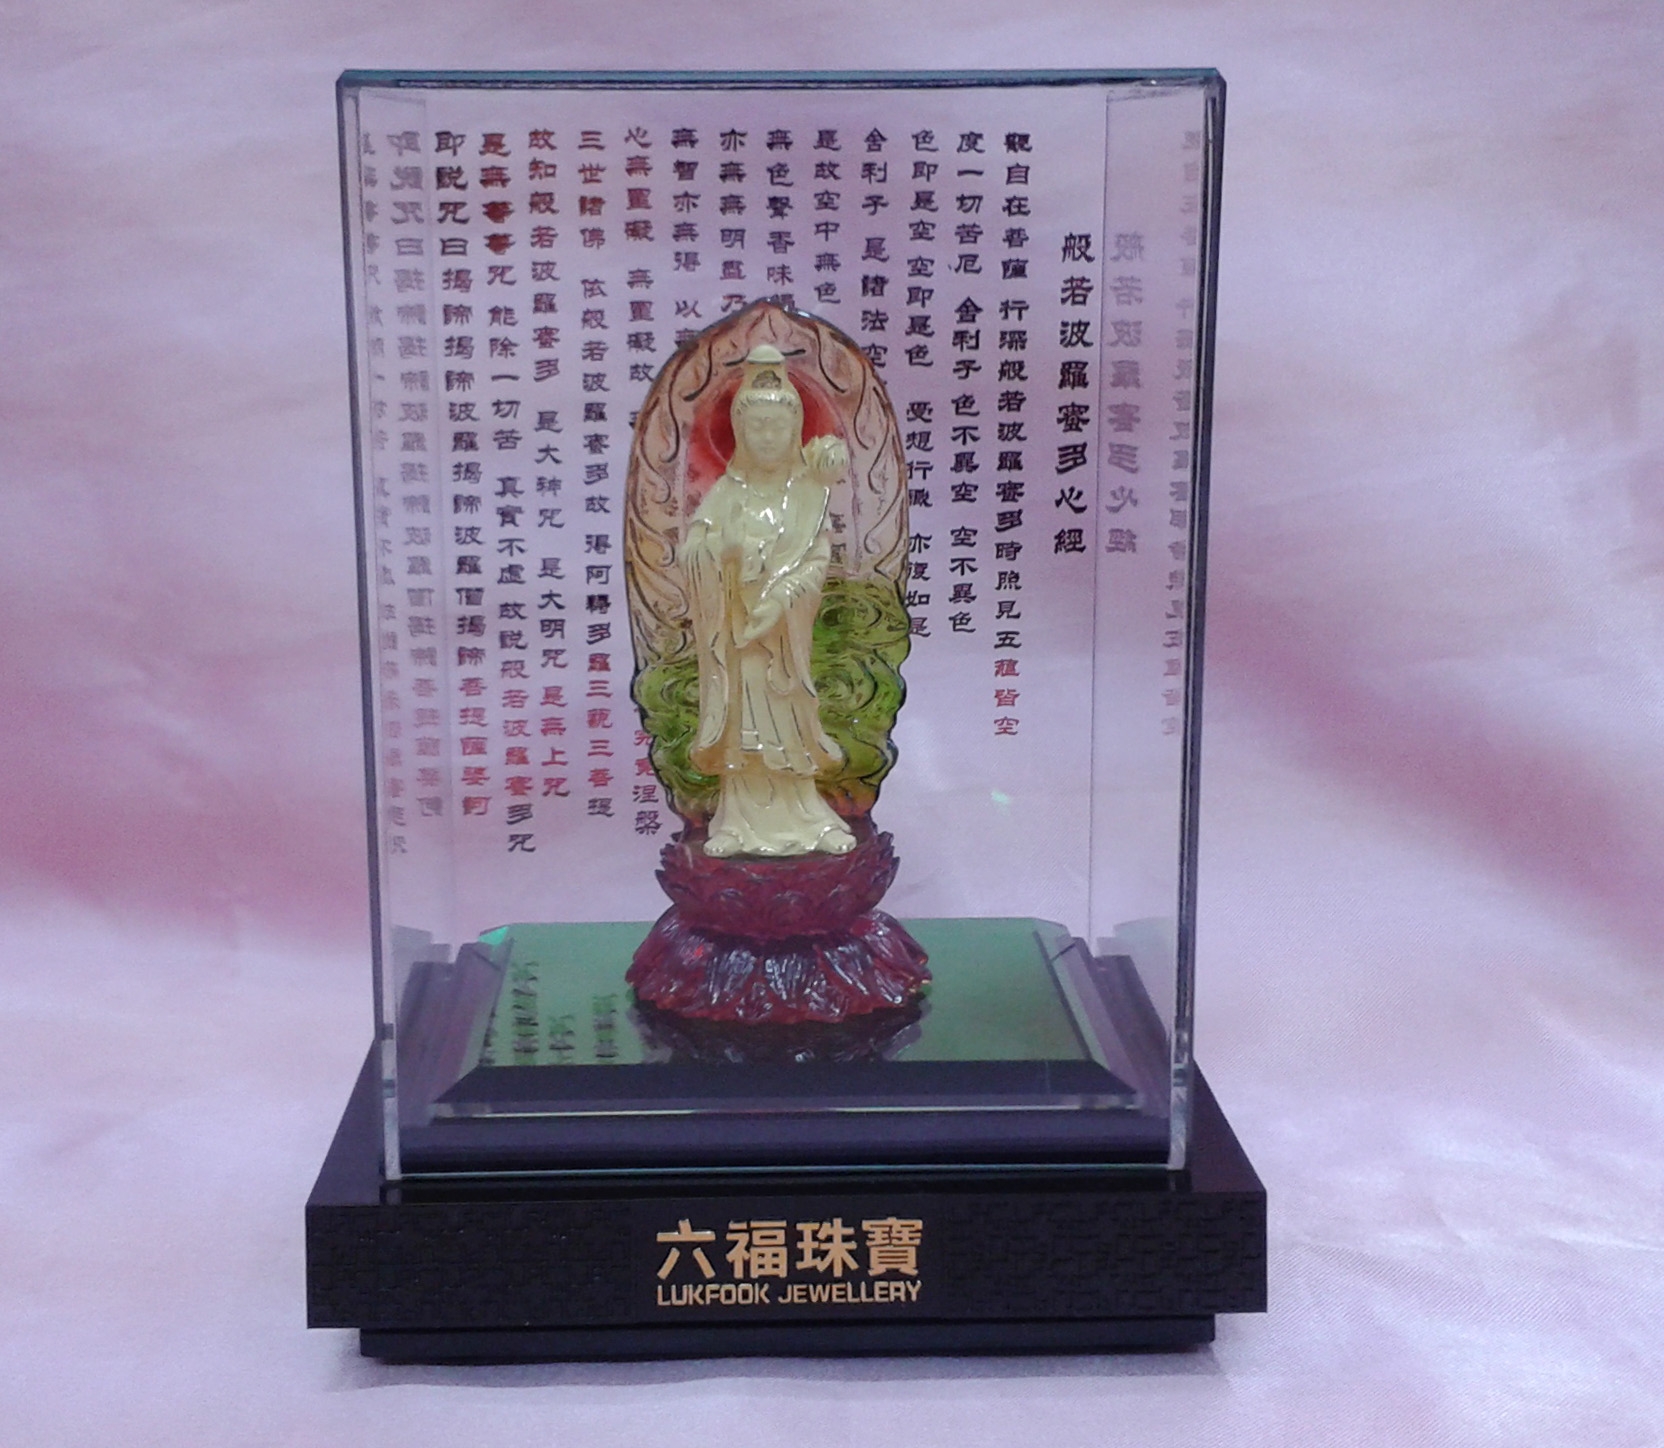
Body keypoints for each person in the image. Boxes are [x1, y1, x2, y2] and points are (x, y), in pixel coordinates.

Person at [681, 344, 857, 858]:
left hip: (784, 640)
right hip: (738, 639)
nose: (766, 437)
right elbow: (694, 552)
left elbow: (818, 559)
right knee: (744, 731)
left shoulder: (806, 494)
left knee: (790, 724)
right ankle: (736, 822)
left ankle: (809, 818)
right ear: (739, 431)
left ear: (794, 430)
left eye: (777, 427)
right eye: (756, 427)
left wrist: (782, 599)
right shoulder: (727, 494)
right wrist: (724, 551)